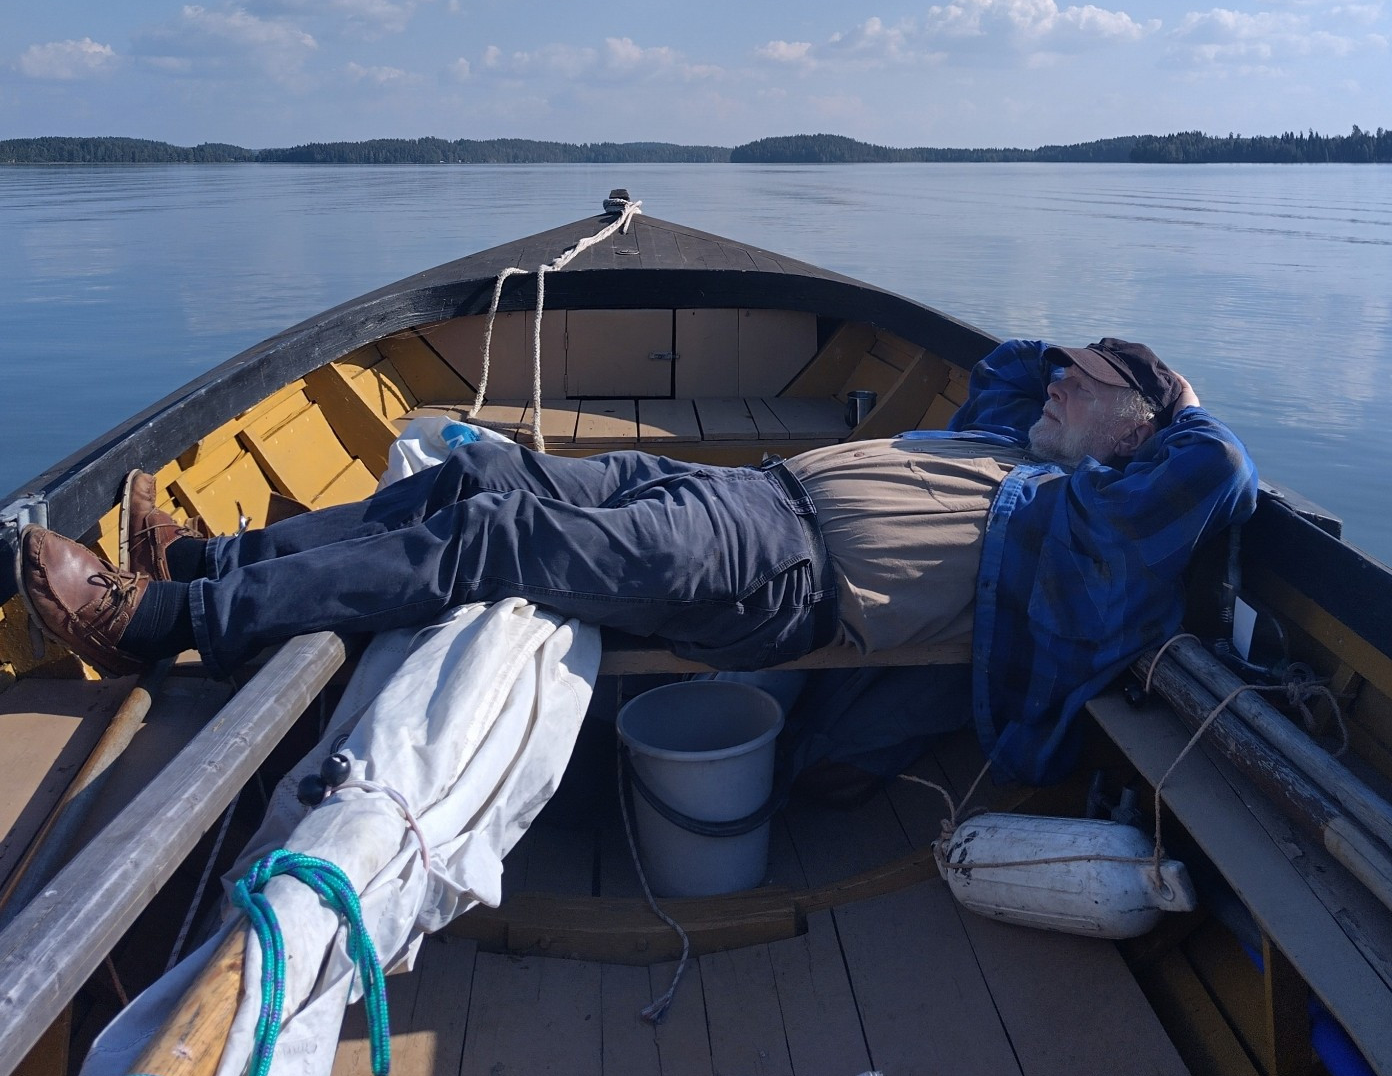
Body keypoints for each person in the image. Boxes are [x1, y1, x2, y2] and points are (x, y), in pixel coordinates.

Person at [14, 336, 1256, 787]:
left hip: (785, 569)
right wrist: (1083, 370)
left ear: (1135, 422)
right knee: (480, 473)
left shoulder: (1099, 513)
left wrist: (1176, 397)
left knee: (501, 539)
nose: (1048, 383)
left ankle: (166, 615)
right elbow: (1008, 359)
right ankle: (221, 551)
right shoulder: (1013, 438)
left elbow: (1220, 469)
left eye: (1081, 382)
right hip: (744, 493)